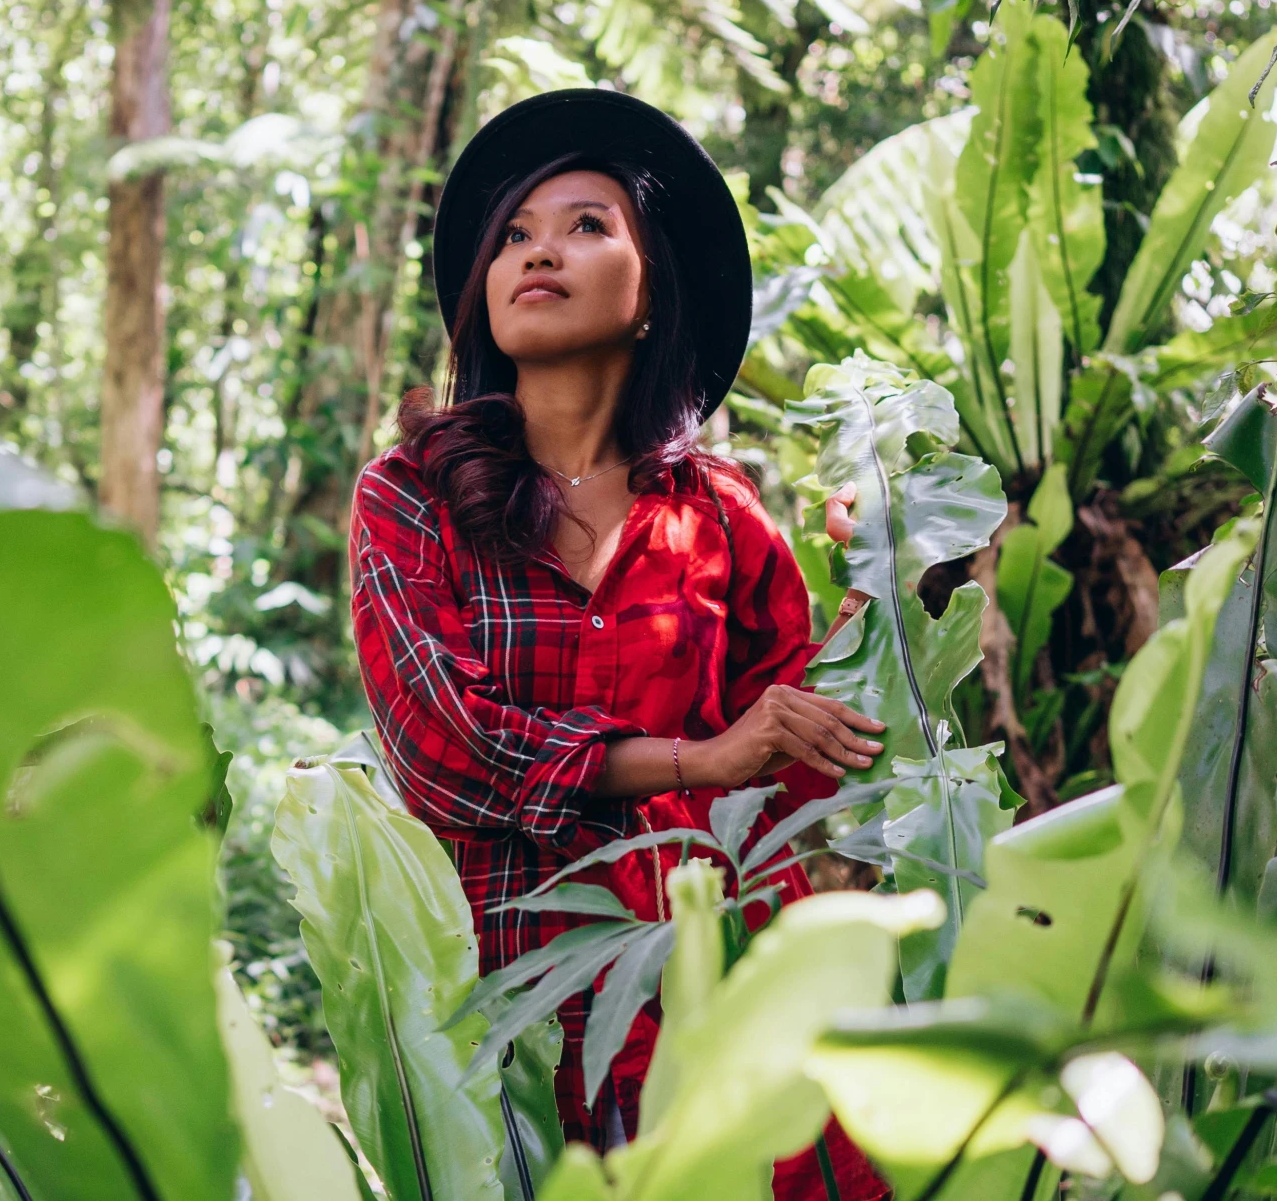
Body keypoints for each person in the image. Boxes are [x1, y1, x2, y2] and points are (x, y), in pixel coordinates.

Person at [349, 88, 889, 1199]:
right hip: (511, 1014)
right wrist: (695, 759)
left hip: (705, 992)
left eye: (585, 225)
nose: (538, 250)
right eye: (513, 234)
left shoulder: (723, 510)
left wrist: (879, 586)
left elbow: (789, 761)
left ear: (651, 291)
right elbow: (441, 751)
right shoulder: (408, 496)